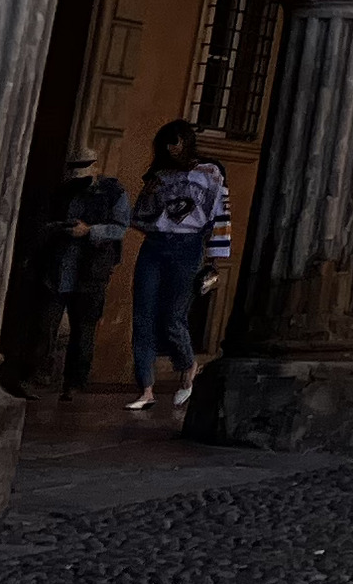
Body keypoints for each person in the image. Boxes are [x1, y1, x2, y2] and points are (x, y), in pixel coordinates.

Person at [124, 120, 223, 414]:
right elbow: (139, 213)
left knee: (173, 315)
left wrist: (214, 258)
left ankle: (187, 365)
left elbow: (220, 215)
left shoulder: (210, 173)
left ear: (187, 141)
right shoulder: (158, 175)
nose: (171, 148)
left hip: (189, 245)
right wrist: (154, 217)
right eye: (167, 143)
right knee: (143, 313)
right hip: (155, 244)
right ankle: (146, 388)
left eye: (176, 141)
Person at [35, 150, 128, 398]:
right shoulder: (64, 191)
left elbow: (119, 229)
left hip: (91, 272)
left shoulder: (113, 193)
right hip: (59, 267)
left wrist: (90, 231)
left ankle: (74, 383)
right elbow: (46, 223)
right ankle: (38, 376)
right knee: (44, 327)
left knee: (83, 332)